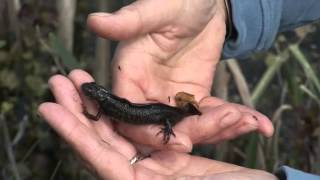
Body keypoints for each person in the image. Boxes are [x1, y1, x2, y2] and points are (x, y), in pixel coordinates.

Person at [38, 0, 320, 179]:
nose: (92, 93)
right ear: (96, 94)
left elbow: (101, 115)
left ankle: (172, 122)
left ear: (97, 94)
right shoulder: (104, 101)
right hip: (156, 111)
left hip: (162, 113)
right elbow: (106, 111)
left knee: (163, 118)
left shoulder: (103, 104)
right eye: (91, 91)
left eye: (92, 91)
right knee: (151, 113)